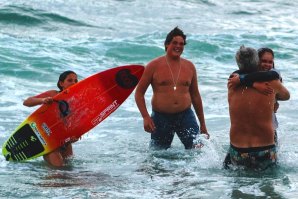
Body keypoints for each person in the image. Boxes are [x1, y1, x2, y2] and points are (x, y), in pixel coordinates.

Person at [134, 27, 209, 150]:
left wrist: (203, 124)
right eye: (174, 43)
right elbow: (139, 93)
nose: (178, 46)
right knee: (158, 155)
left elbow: (195, 96)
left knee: (197, 150)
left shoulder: (189, 67)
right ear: (167, 44)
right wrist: (146, 117)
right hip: (161, 117)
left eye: (181, 44)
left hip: (185, 116)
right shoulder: (153, 66)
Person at [224, 45, 290, 170]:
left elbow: (239, 74)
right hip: (264, 148)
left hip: (238, 149)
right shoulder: (273, 82)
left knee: (238, 186)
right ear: (257, 62)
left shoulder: (232, 82)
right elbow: (286, 96)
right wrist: (273, 97)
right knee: (267, 187)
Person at [23, 70, 78, 167]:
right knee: (58, 171)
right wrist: (43, 100)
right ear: (61, 83)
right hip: (48, 139)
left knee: (69, 173)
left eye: (75, 81)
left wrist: (74, 136)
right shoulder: (54, 94)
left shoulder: (76, 100)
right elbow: (27, 102)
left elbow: (73, 123)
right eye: (70, 80)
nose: (73, 83)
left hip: (65, 141)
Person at [228, 47, 281, 144]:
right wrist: (253, 84)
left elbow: (273, 76)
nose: (267, 65)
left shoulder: (273, 74)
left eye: (270, 62)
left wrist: (242, 80)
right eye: (263, 61)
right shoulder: (246, 77)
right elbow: (234, 75)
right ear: (257, 61)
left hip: (268, 124)